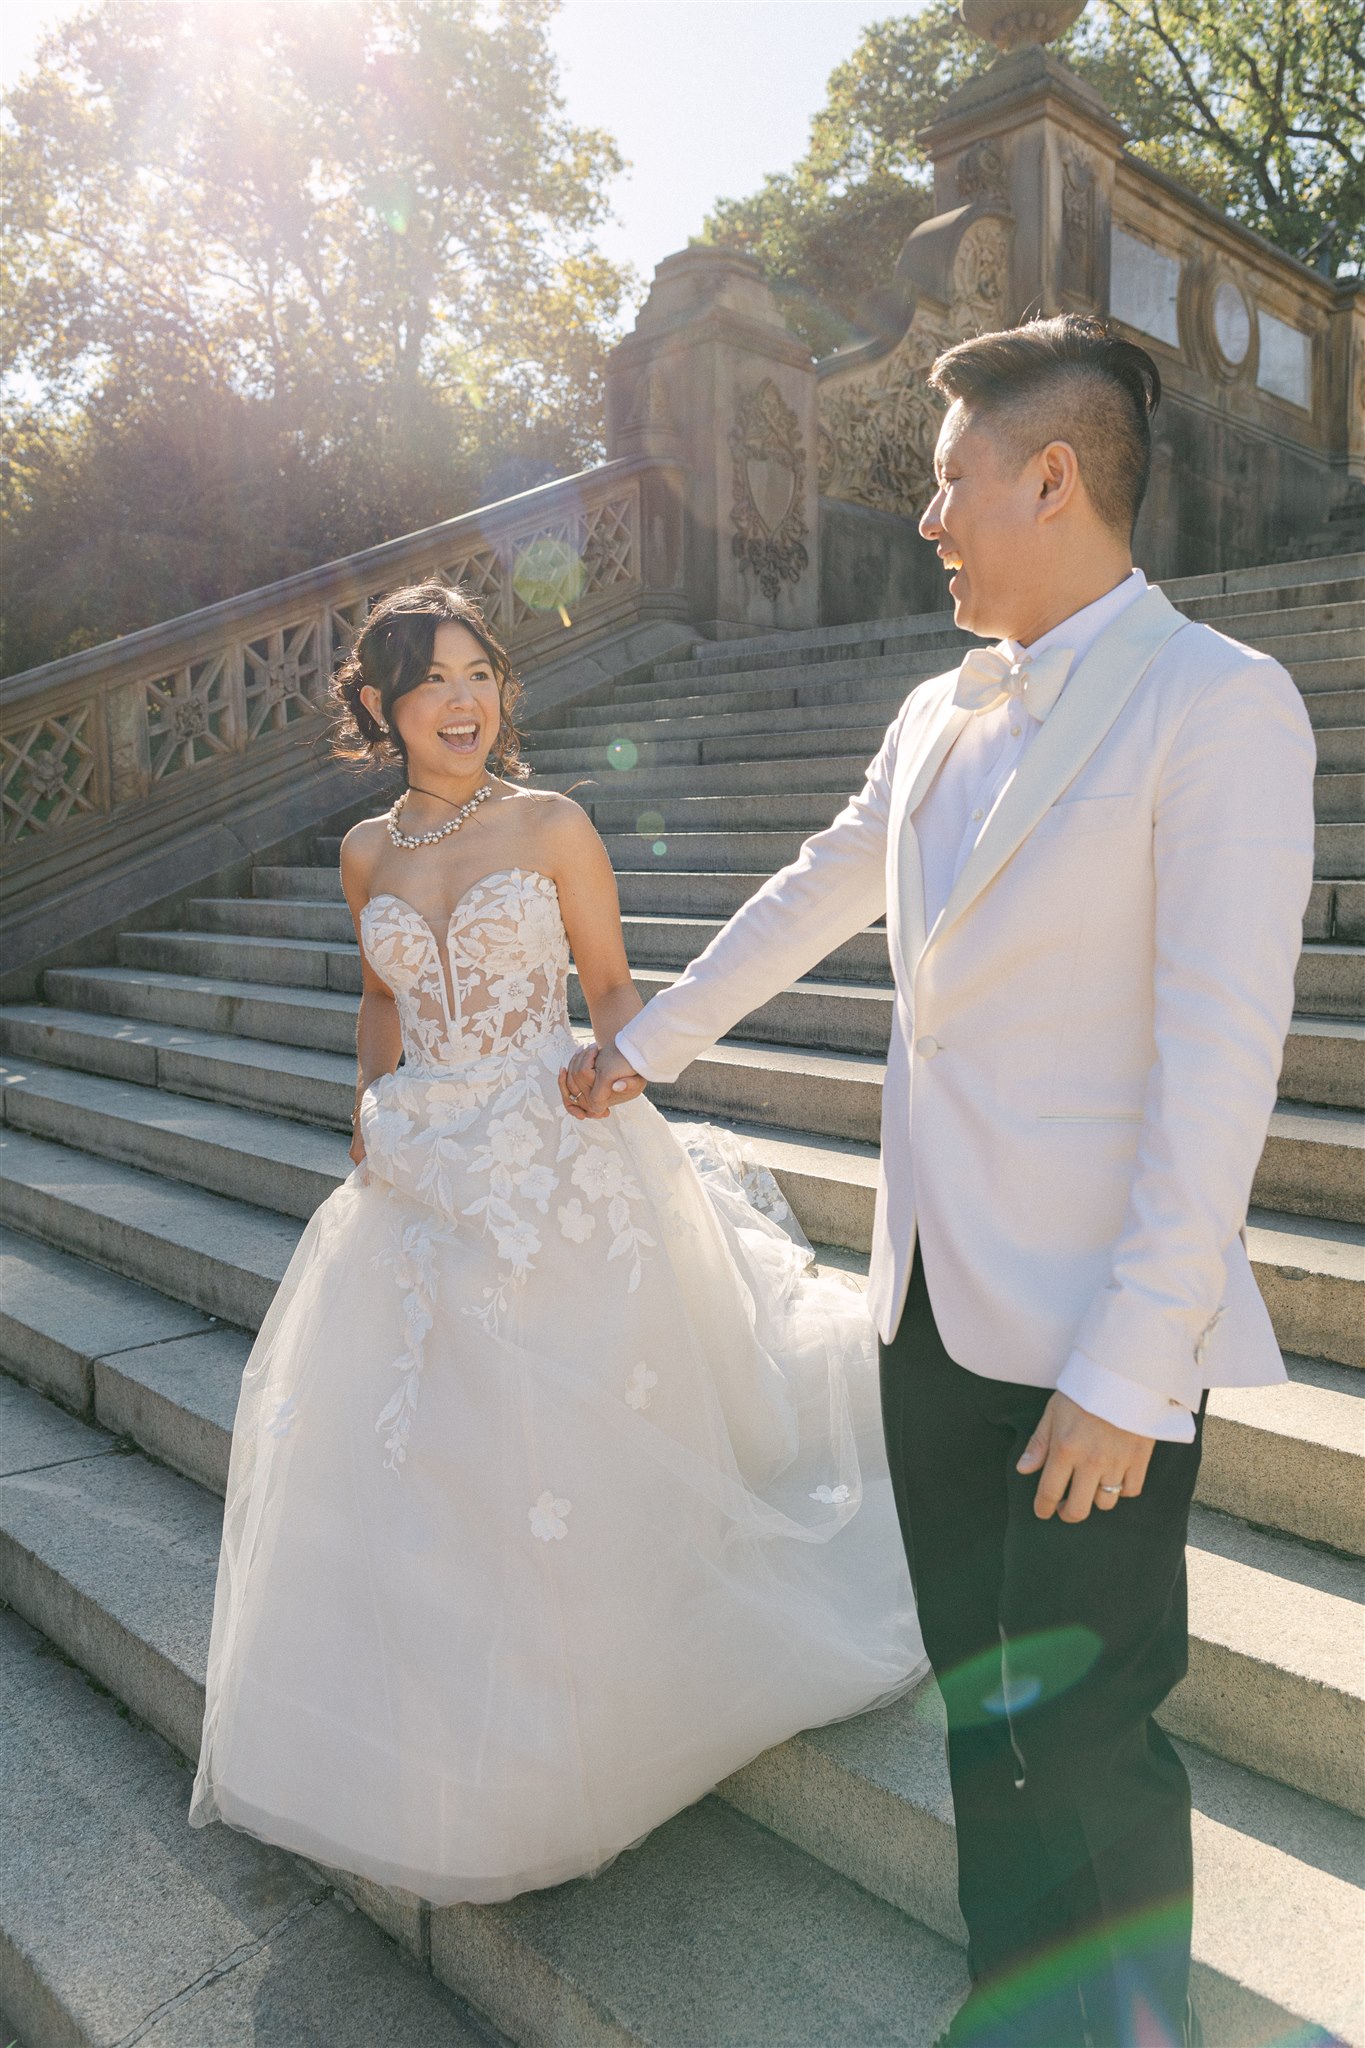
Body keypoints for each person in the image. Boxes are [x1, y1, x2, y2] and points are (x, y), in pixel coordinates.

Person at [565, 315, 1317, 2047]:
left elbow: (1218, 1072)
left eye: (945, 479)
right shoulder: (932, 707)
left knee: (1089, 1723)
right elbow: (821, 886)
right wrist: (648, 1045)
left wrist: (1135, 1370)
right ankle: (1016, 2005)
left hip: (1092, 1348)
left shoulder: (1219, 705)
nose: (927, 518)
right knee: (987, 1708)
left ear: (1049, 476)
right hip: (926, 1308)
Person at [189, 580, 924, 1904]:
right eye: (432, 682)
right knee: (432, 1439)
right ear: (380, 707)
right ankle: (459, 1705)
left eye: (481, 673)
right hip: (419, 1170)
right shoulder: (366, 852)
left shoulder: (552, 823)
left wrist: (619, 1057)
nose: (464, 700)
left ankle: (610, 1664)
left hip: (555, 1147)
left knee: (573, 1417)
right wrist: (366, 1101)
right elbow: (377, 997)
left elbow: (608, 982)